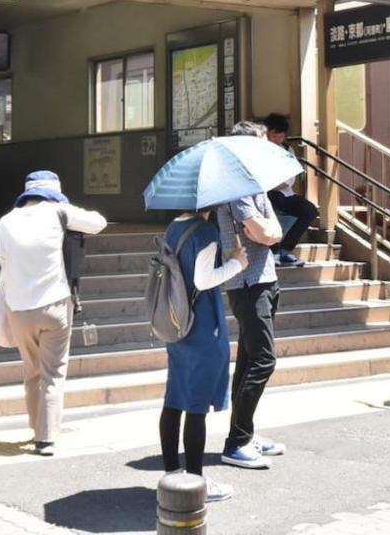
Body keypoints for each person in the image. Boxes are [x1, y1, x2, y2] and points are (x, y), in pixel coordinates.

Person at [0, 171, 106, 455]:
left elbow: (2, 261)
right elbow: (98, 223)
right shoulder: (59, 211)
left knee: (31, 372)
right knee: (53, 373)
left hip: (19, 309)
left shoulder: (6, 221)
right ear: (53, 193)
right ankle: (46, 439)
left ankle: (36, 429)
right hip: (55, 305)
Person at [159, 210, 248, 503]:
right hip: (202, 325)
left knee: (174, 399)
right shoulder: (205, 232)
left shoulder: (175, 226)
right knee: (196, 407)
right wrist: (237, 263)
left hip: (177, 322)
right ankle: (196, 483)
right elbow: (205, 279)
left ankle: (171, 475)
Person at [219, 120, 285, 470]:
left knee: (247, 361)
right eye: (261, 143)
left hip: (263, 277)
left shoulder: (253, 184)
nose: (266, 148)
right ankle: (237, 441)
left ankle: (245, 432)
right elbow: (262, 231)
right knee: (263, 360)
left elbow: (272, 230)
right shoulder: (237, 188)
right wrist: (269, 232)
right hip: (248, 283)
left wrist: (270, 232)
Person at [263, 112, 316, 268]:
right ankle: (272, 251)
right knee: (271, 205)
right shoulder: (260, 149)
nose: (277, 139)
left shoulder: (287, 149)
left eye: (280, 135)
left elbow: (291, 175)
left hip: (286, 192)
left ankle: (285, 250)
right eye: (274, 135)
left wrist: (280, 182)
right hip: (268, 192)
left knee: (310, 210)